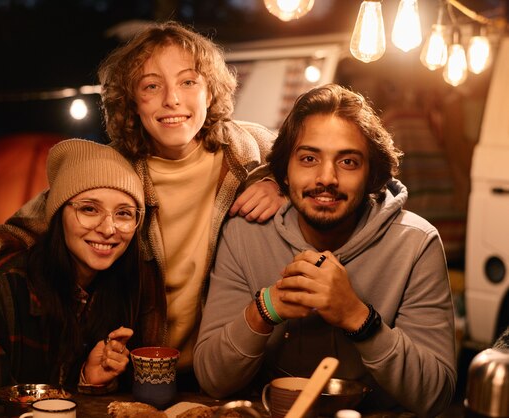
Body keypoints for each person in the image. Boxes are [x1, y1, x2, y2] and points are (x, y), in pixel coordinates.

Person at [0, 21, 285, 376]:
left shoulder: (248, 152)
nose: (172, 99)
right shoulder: (115, 166)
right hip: (140, 365)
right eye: (152, 86)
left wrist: (275, 179)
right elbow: (39, 217)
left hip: (229, 364)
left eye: (188, 81)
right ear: (131, 100)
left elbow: (312, 161)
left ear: (210, 92)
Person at [193, 84, 456, 417]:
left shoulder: (417, 243)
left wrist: (357, 317)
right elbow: (213, 380)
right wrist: (267, 307)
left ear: (372, 175)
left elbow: (436, 396)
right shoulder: (246, 235)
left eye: (348, 161)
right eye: (308, 158)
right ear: (284, 173)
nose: (326, 177)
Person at [0, 139, 156, 415]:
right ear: (57, 214)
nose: (108, 228)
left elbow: (56, 396)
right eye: (89, 209)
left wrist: (87, 380)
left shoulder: (118, 287)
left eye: (124, 214)